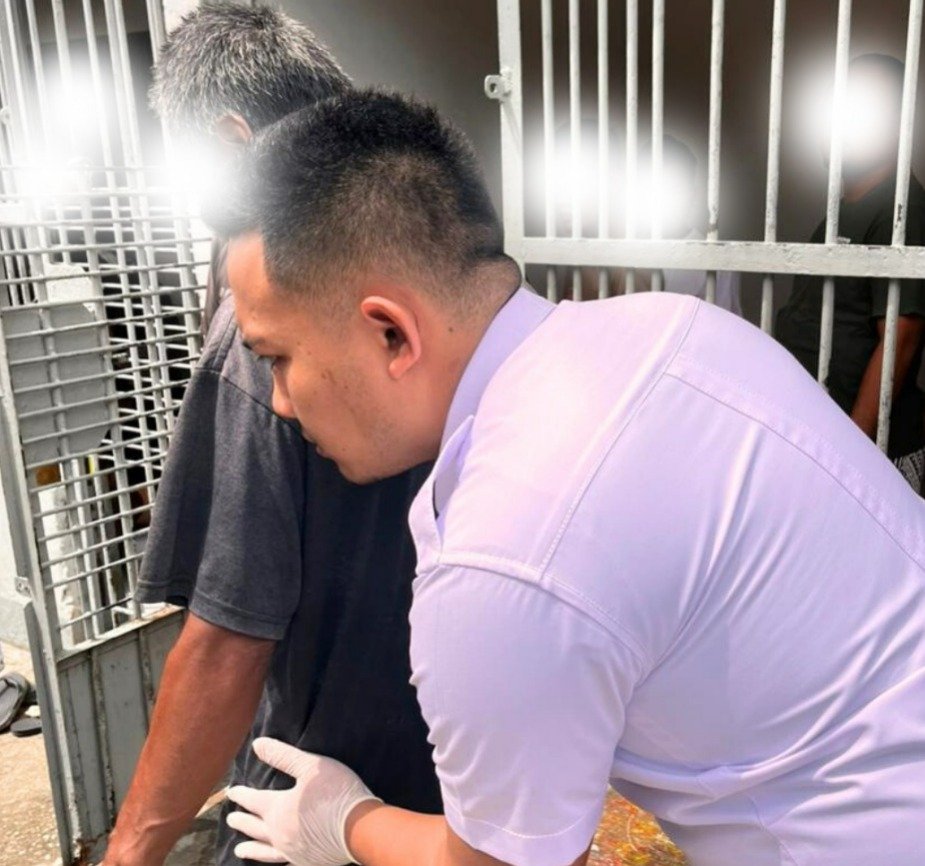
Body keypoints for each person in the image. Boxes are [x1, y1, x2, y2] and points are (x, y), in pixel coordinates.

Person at [218, 91, 925, 866]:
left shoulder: (504, 556)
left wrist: (342, 823)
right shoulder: (675, 326)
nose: (279, 401)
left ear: (390, 332)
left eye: (276, 357)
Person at [101, 7, 441, 866]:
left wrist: (130, 849)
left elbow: (227, 639)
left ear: (231, 139)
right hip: (450, 773)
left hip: (316, 786)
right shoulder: (430, 263)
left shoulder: (263, 329)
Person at [777, 53, 925, 492]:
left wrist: (850, 459)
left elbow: (900, 339)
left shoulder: (903, 209)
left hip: (875, 457)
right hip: (828, 444)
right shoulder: (842, 213)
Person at [650, 135, 741, 315]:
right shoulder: (619, 257)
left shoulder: (718, 261)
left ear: (692, 194)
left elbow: (723, 325)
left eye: (675, 186)